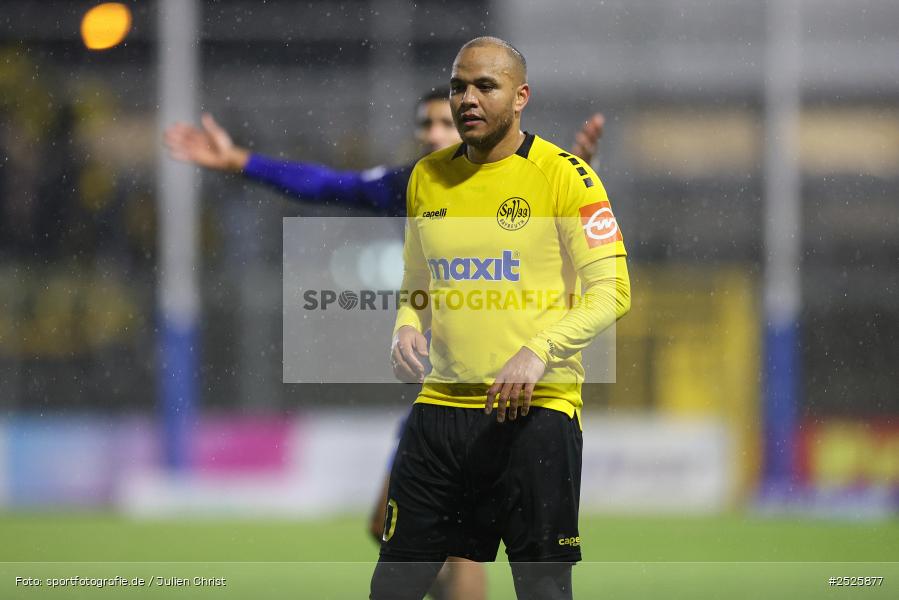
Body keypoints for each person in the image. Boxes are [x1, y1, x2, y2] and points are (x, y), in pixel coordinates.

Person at [163, 87, 607, 600]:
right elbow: (331, 185)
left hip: (516, 389)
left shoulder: (528, 177)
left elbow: (583, 261)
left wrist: (578, 173)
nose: (437, 132)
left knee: (463, 546)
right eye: (428, 123)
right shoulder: (418, 183)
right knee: (395, 531)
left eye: (446, 121)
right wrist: (241, 161)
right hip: (444, 394)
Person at [375, 37, 630, 600]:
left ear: (520, 98)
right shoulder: (427, 177)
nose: (467, 98)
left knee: (542, 589)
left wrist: (539, 350)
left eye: (485, 86)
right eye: (458, 86)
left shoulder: (567, 177)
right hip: (440, 412)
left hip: (535, 415)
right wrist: (406, 327)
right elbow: (417, 283)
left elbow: (612, 290)